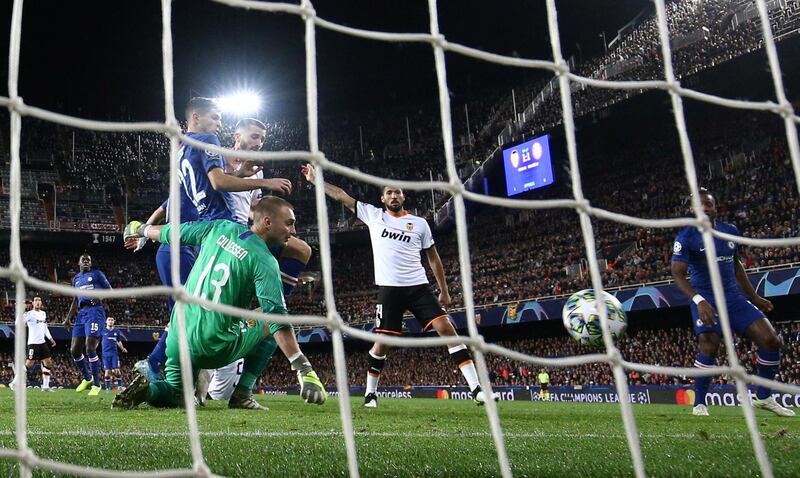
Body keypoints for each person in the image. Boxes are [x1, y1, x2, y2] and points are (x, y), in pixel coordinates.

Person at [301, 164, 498, 407]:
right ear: (382, 198)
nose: (394, 196)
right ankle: (370, 393)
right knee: (382, 342)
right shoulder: (373, 215)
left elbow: (433, 257)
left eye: (398, 192)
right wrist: (315, 181)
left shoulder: (420, 224)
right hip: (389, 290)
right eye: (389, 193)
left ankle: (477, 389)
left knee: (447, 329)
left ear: (404, 196)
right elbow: (342, 195)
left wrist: (444, 290)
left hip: (418, 287)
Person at [129, 99, 292, 381]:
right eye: (215, 118)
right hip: (216, 230)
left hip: (206, 234)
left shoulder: (181, 151)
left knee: (194, 308)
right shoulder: (210, 143)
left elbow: (178, 198)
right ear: (196, 117)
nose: (219, 123)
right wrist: (265, 184)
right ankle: (160, 367)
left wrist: (145, 227)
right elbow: (217, 183)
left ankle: (187, 373)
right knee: (191, 310)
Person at [114, 196, 326, 410]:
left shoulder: (219, 227)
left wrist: (141, 229)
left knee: (177, 394)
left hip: (177, 336)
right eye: (289, 223)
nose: (294, 231)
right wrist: (304, 369)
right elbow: (276, 318)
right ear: (268, 222)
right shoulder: (264, 260)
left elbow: (171, 233)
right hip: (212, 345)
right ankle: (242, 395)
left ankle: (147, 391)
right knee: (271, 319)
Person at [671, 188, 794, 417]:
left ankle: (763, 397)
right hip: (705, 298)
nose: (705, 209)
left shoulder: (730, 232)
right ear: (692, 210)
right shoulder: (686, 238)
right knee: (709, 343)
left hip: (733, 298)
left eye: (709, 204)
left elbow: (736, 265)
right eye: (700, 206)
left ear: (715, 207)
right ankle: (699, 404)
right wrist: (698, 300)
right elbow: (677, 273)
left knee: (771, 340)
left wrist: (754, 297)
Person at [64, 254, 112, 396]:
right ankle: (87, 378)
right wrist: (68, 318)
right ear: (78, 263)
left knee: (90, 347)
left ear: (90, 263)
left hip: (95, 311)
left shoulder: (97, 274)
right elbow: (74, 300)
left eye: (88, 260)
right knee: (74, 350)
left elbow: (109, 291)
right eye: (83, 260)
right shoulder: (76, 280)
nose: (86, 261)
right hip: (81, 314)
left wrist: (99, 297)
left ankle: (97, 385)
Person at [10, 296, 56, 391]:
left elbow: (45, 327)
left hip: (42, 343)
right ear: (33, 303)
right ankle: (14, 383)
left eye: (39, 300)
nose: (38, 302)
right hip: (33, 343)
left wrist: (50, 338)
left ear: (41, 303)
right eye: (36, 300)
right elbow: (17, 324)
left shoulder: (43, 314)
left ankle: (46, 386)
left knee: (48, 362)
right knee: (29, 364)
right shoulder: (29, 314)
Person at [101, 317, 127, 391]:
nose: (110, 321)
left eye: (112, 320)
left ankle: (119, 386)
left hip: (114, 353)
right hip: (105, 354)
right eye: (109, 320)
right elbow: (97, 340)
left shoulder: (116, 331)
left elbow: (118, 341)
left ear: (114, 321)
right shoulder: (102, 331)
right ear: (106, 321)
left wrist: (122, 348)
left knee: (116, 370)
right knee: (107, 372)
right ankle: (108, 388)